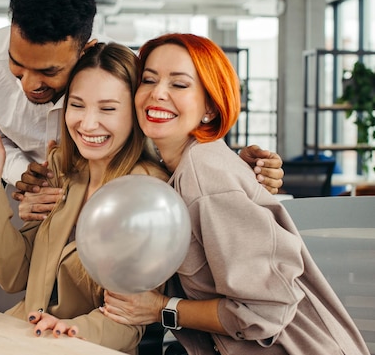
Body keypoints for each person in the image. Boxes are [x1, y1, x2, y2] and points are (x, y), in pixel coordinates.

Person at [100, 33, 369, 355]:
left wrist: (161, 308)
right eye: (148, 79)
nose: (158, 93)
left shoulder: (205, 171)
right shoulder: (190, 165)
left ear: (210, 108)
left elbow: (264, 311)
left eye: (179, 84)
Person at [0, 0, 284, 217]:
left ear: (86, 50)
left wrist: (231, 174)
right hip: (29, 200)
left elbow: (164, 132)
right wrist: (24, 175)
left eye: (49, 72)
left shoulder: (115, 71)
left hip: (117, 202)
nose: (29, 84)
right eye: (18, 66)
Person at [0, 42, 169, 353]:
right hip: (20, 339)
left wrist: (65, 332)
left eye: (108, 108)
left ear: (135, 113)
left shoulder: (147, 193)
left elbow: (128, 324)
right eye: (78, 105)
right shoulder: (63, 167)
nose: (87, 123)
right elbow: (13, 276)